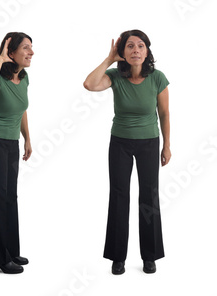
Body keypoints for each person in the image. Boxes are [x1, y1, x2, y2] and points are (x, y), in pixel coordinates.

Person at [84, 29, 170, 275]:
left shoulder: (158, 78)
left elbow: (164, 114)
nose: (136, 50)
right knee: (119, 195)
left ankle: (149, 256)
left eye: (141, 46)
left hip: (150, 142)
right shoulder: (114, 76)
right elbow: (89, 84)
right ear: (123, 52)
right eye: (130, 46)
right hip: (120, 142)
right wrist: (109, 59)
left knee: (149, 196)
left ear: (147, 51)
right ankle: (117, 257)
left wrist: (167, 144)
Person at [0, 32, 34, 274]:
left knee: (10, 197)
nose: (31, 52)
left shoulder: (24, 78)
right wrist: (1, 57)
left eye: (31, 47)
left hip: (11, 143)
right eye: (25, 48)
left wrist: (27, 138)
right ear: (11, 52)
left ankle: (9, 251)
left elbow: (21, 109)